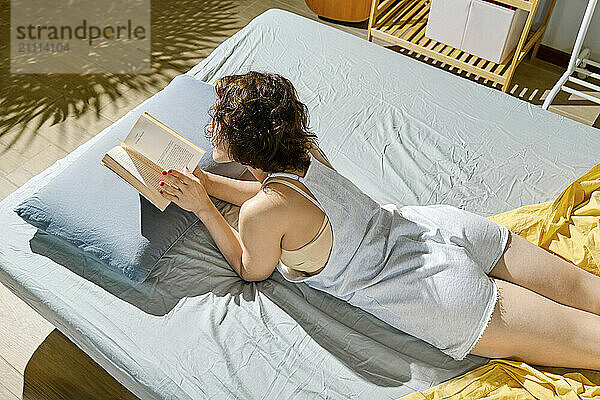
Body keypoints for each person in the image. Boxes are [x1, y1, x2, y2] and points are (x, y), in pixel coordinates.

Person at [157, 71, 600, 370]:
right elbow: (281, 199)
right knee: (586, 290)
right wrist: (209, 183)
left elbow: (250, 269)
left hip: (434, 294)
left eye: (216, 123)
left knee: (590, 342)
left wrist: (204, 207)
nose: (209, 129)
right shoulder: (304, 155)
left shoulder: (261, 213)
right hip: (442, 229)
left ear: (242, 144)